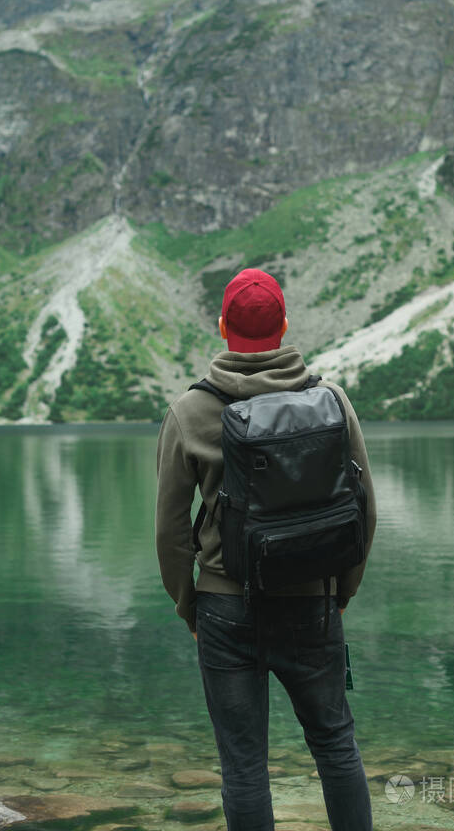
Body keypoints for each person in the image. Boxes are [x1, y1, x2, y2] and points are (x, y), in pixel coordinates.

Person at [156, 268, 376, 831]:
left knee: (245, 766)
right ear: (283, 325)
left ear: (223, 326)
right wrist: (341, 592)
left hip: (226, 608)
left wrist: (192, 607)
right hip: (314, 601)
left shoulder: (190, 411)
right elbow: (364, 508)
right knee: (335, 745)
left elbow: (171, 532)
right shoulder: (330, 399)